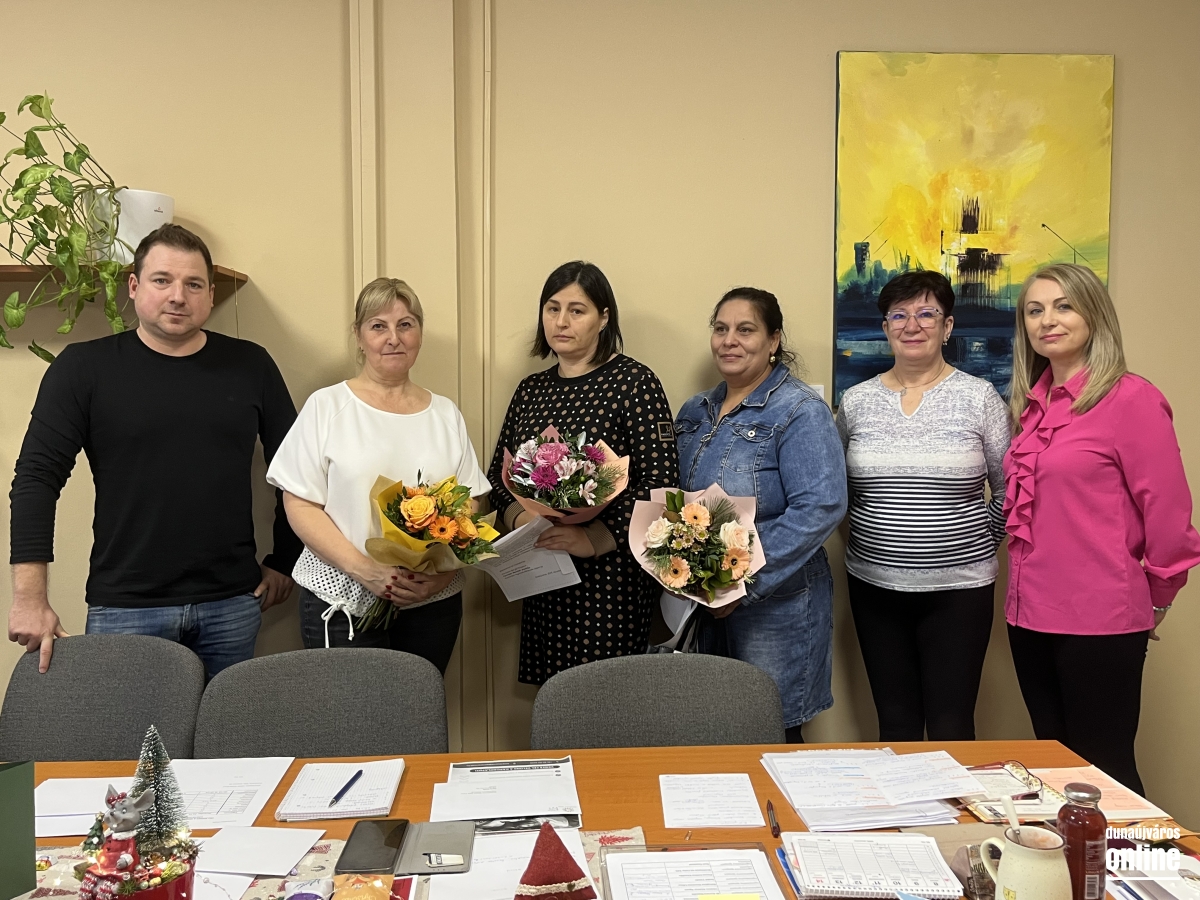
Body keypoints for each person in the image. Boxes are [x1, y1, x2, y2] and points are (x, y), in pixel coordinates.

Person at [8, 224, 301, 679]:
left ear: (209, 295)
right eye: (162, 280)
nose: (178, 296)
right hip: (126, 609)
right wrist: (29, 599)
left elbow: (297, 470)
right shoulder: (83, 368)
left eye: (194, 284)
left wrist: (285, 560)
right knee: (128, 730)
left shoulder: (251, 365)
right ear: (134, 286)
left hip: (231, 606)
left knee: (225, 728)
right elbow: (36, 480)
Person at [1004, 263, 1200, 794]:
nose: (1047, 320)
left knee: (1105, 770)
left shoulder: (1131, 399)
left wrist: (1160, 593)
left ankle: (1127, 854)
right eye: (1034, 310)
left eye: (1063, 306)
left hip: (1100, 618)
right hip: (1028, 615)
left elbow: (1168, 511)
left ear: (1094, 314)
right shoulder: (1030, 405)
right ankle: (1069, 855)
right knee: (1055, 768)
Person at [266, 278, 489, 673]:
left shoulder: (444, 413)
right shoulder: (327, 406)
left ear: (419, 333)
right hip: (344, 598)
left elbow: (469, 503)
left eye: (405, 324)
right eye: (378, 326)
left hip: (431, 603)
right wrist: (366, 570)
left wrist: (441, 574)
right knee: (352, 711)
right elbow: (299, 503)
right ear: (359, 335)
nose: (393, 338)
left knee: (420, 706)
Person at [486, 261, 679, 684]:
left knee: (607, 699)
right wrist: (522, 520)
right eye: (552, 309)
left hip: (612, 580)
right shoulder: (531, 390)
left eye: (577, 310)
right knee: (555, 699)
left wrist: (593, 537)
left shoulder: (634, 383)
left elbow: (661, 485)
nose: (561, 322)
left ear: (603, 318)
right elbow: (498, 477)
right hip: (544, 573)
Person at [835, 270, 1010, 741]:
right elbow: (838, 493)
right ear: (886, 328)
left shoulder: (980, 398)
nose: (912, 325)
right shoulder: (856, 402)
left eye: (926, 313)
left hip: (960, 591)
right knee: (895, 725)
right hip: (874, 587)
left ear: (947, 326)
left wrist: (976, 542)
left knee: (953, 725)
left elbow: (1010, 490)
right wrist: (873, 541)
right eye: (899, 315)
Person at [674, 287, 846, 743]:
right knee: (714, 731)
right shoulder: (695, 411)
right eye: (720, 329)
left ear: (773, 340)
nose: (729, 340)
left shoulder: (799, 411)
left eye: (745, 330)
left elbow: (821, 505)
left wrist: (740, 580)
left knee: (772, 733)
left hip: (776, 606)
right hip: (703, 604)